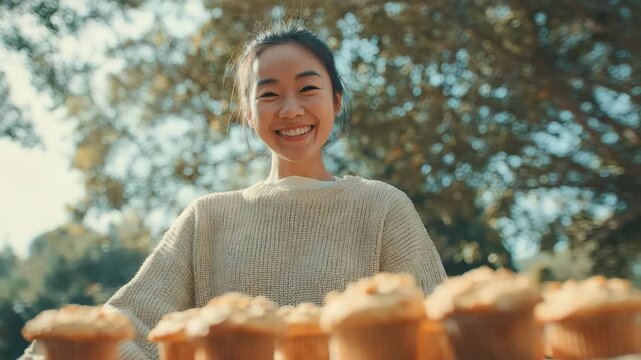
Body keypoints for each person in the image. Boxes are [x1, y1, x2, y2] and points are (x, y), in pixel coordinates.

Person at [22, 20, 447, 360]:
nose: (291, 109)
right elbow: (121, 328)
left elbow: (439, 332)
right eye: (269, 94)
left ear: (336, 100)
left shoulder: (381, 206)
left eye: (308, 88)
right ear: (247, 111)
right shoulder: (208, 217)